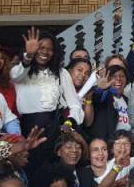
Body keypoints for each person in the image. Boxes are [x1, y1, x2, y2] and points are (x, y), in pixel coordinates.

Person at [11, 28, 82, 171]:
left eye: (50, 49)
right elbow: (15, 75)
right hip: (27, 130)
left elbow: (75, 105)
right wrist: (28, 56)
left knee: (54, 172)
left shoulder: (61, 73)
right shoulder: (21, 70)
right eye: (40, 47)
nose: (45, 52)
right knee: (29, 171)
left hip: (54, 130)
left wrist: (69, 123)